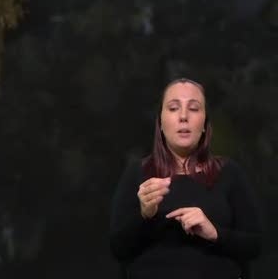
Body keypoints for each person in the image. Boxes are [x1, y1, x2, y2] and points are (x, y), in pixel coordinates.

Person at [109, 77, 264, 278]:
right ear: (161, 123)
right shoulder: (137, 173)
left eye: (194, 108)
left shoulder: (229, 172)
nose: (183, 116)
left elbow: (254, 245)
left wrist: (214, 233)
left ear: (205, 123)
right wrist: (145, 216)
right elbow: (118, 249)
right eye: (173, 108)